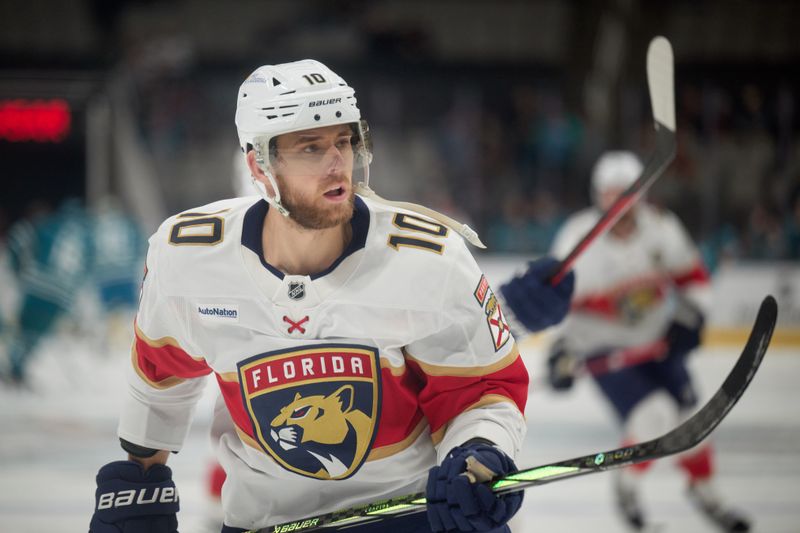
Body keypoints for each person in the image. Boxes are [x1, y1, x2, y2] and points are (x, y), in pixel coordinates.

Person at [88, 59, 574, 533]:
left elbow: (482, 391)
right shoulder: (189, 257)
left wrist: (479, 455)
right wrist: (140, 475)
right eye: (311, 148)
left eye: (343, 141)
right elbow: (161, 374)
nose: (337, 163)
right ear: (259, 164)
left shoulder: (428, 258)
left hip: (411, 516)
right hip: (265, 521)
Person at [504, 151, 750, 532]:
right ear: (597, 195)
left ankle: (705, 491)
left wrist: (690, 319)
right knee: (654, 415)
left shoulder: (661, 228)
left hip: (658, 342)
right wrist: (562, 354)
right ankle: (628, 487)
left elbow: (693, 279)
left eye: (628, 192)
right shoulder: (578, 239)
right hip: (604, 350)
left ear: (642, 194)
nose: (620, 202)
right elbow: (555, 306)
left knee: (692, 419)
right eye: (611, 193)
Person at [1, 198, 93, 386]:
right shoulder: (86, 236)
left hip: (38, 286)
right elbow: (87, 270)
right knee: (34, 334)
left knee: (24, 331)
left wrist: (19, 270)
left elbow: (18, 239)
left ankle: (15, 369)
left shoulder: (48, 225)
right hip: (62, 295)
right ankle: (17, 370)